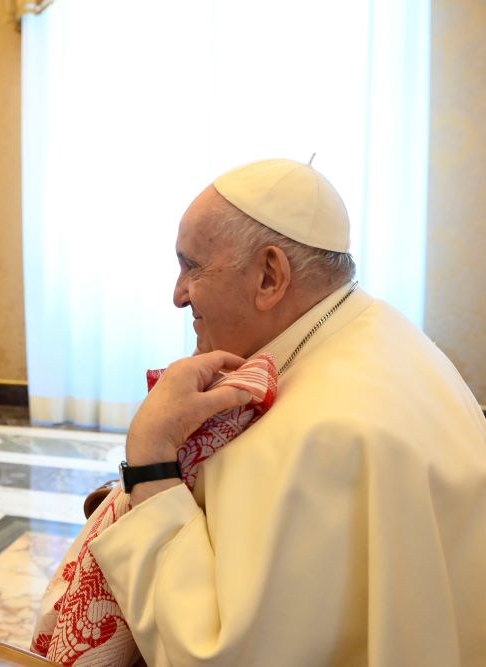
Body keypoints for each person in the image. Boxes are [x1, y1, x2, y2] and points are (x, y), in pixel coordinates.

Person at [56, 158, 486, 666]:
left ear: (269, 276)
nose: (177, 295)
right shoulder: (378, 329)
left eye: (191, 265)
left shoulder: (322, 433)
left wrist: (151, 459)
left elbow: (214, 655)